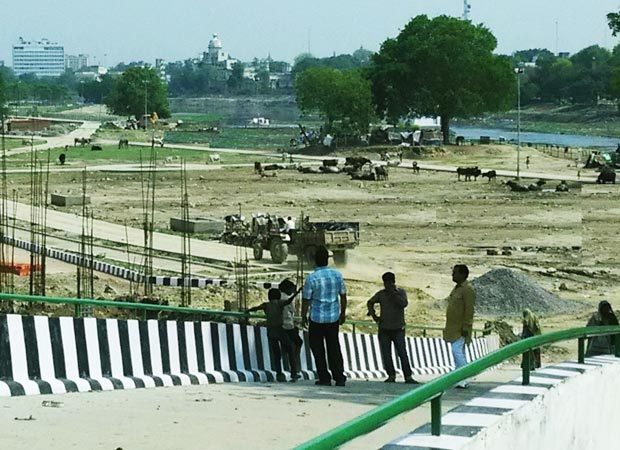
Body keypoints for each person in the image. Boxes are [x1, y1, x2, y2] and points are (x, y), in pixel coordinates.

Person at [301, 246, 347, 387]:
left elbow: (306, 300)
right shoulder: (337, 275)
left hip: (316, 318)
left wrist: (303, 316)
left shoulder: (311, 278)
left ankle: (324, 377)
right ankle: (339, 376)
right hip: (333, 318)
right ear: (328, 259)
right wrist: (343, 313)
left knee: (318, 349)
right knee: (334, 347)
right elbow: (343, 296)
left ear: (315, 260)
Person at [367, 272, 418, 384]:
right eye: (385, 283)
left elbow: (404, 304)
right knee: (386, 353)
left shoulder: (400, 293)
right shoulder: (381, 294)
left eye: (389, 282)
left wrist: (394, 294)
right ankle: (391, 375)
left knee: (402, 353)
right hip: (384, 328)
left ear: (393, 282)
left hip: (398, 328)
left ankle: (408, 376)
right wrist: (374, 316)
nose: (387, 285)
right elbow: (370, 302)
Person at [247, 288, 300, 382]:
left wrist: (248, 311)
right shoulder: (279, 303)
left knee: (276, 353)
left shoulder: (266, 305)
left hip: (270, 331)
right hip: (280, 330)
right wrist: (297, 292)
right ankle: (294, 372)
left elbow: (256, 308)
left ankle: (279, 374)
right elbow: (289, 301)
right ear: (278, 296)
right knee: (290, 350)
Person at [443, 264, 475, 389]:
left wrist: (466, 327)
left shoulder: (468, 290)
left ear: (462, 274)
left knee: (456, 351)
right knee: (459, 352)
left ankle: (465, 376)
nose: (453, 275)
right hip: (452, 327)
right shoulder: (456, 289)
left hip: (461, 329)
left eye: (455, 273)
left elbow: (469, 311)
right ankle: (460, 377)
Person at [279, 278, 303, 381]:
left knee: (292, 345)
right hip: (288, 326)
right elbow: (292, 311)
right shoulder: (286, 299)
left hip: (282, 325)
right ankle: (295, 367)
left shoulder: (279, 297)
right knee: (297, 343)